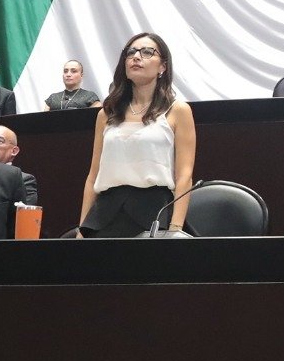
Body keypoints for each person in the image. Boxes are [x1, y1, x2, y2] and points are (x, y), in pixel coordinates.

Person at [76, 32, 196, 237]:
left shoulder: (178, 110)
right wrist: (81, 228)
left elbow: (184, 175)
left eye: (147, 52)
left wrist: (175, 229)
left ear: (162, 67)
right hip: (105, 214)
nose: (136, 56)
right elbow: (93, 176)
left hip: (154, 213)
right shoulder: (107, 113)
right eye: (131, 52)